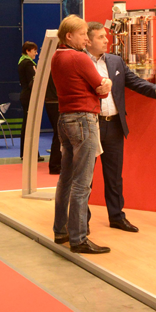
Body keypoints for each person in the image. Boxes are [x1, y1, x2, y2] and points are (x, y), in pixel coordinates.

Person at [85, 22, 156, 233]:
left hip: (114, 125)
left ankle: (117, 217)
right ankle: (81, 222)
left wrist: (155, 89)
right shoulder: (79, 61)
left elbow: (133, 81)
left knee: (114, 176)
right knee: (85, 177)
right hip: (89, 126)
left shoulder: (115, 60)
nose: (106, 40)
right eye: (100, 37)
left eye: (105, 36)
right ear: (87, 41)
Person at [51, 15, 112, 254]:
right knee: (82, 183)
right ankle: (79, 239)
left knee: (66, 179)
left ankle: (61, 231)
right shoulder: (79, 57)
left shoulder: (57, 56)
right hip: (84, 120)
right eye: (83, 34)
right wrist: (106, 84)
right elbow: (101, 88)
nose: (86, 39)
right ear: (69, 36)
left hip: (65, 120)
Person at [18, 41, 44, 162]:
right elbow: (33, 83)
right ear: (28, 51)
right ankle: (30, 154)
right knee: (30, 126)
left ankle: (28, 154)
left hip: (26, 96)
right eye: (34, 51)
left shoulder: (22, 62)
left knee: (28, 126)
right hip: (29, 97)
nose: (36, 53)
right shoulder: (28, 64)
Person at [45, 73, 62, 175]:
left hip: (52, 101)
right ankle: (55, 165)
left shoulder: (47, 69)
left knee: (59, 134)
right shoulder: (56, 68)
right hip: (56, 101)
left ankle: (56, 164)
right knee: (59, 134)